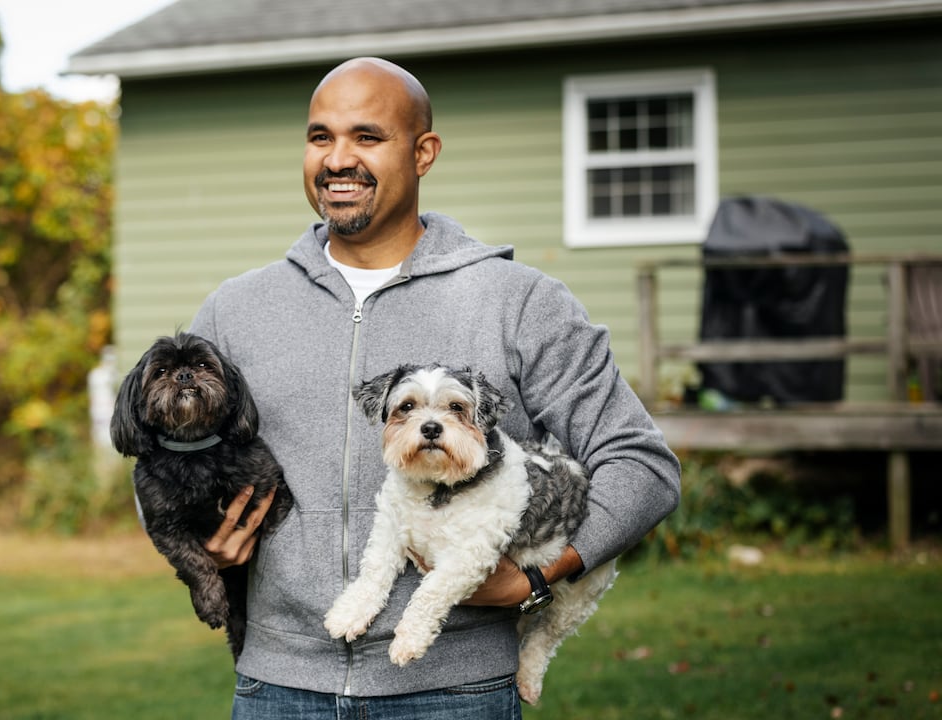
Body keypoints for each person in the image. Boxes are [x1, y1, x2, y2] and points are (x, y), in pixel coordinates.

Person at [188, 56, 681, 719]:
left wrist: (542, 574)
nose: (338, 159)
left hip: (454, 692)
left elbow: (641, 464)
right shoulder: (237, 310)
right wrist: (199, 539)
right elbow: (165, 453)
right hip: (278, 689)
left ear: (424, 153)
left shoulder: (517, 302)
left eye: (367, 138)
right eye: (320, 137)